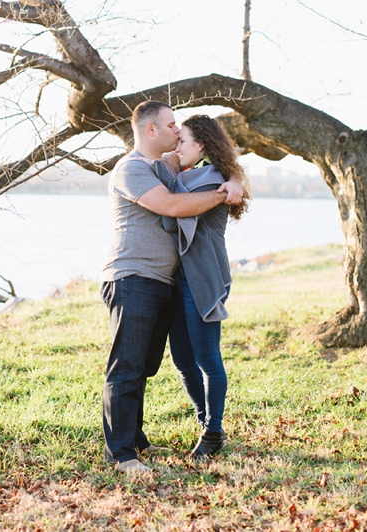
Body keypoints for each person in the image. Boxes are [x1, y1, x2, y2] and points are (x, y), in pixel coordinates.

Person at [100, 101, 244, 473]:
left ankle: (135, 438)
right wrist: (223, 192)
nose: (177, 132)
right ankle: (122, 455)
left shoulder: (163, 167)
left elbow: (211, 166)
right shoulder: (132, 168)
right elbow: (170, 204)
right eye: (171, 126)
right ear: (150, 130)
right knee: (127, 366)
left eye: (181, 130)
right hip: (132, 277)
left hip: (163, 282)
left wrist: (235, 180)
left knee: (144, 366)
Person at [158, 115, 250, 460]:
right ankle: (207, 425)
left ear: (202, 146)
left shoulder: (208, 180)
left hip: (204, 276)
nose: (177, 147)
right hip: (181, 277)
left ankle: (213, 432)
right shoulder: (202, 175)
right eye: (176, 141)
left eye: (182, 141)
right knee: (183, 359)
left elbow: (170, 215)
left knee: (207, 358)